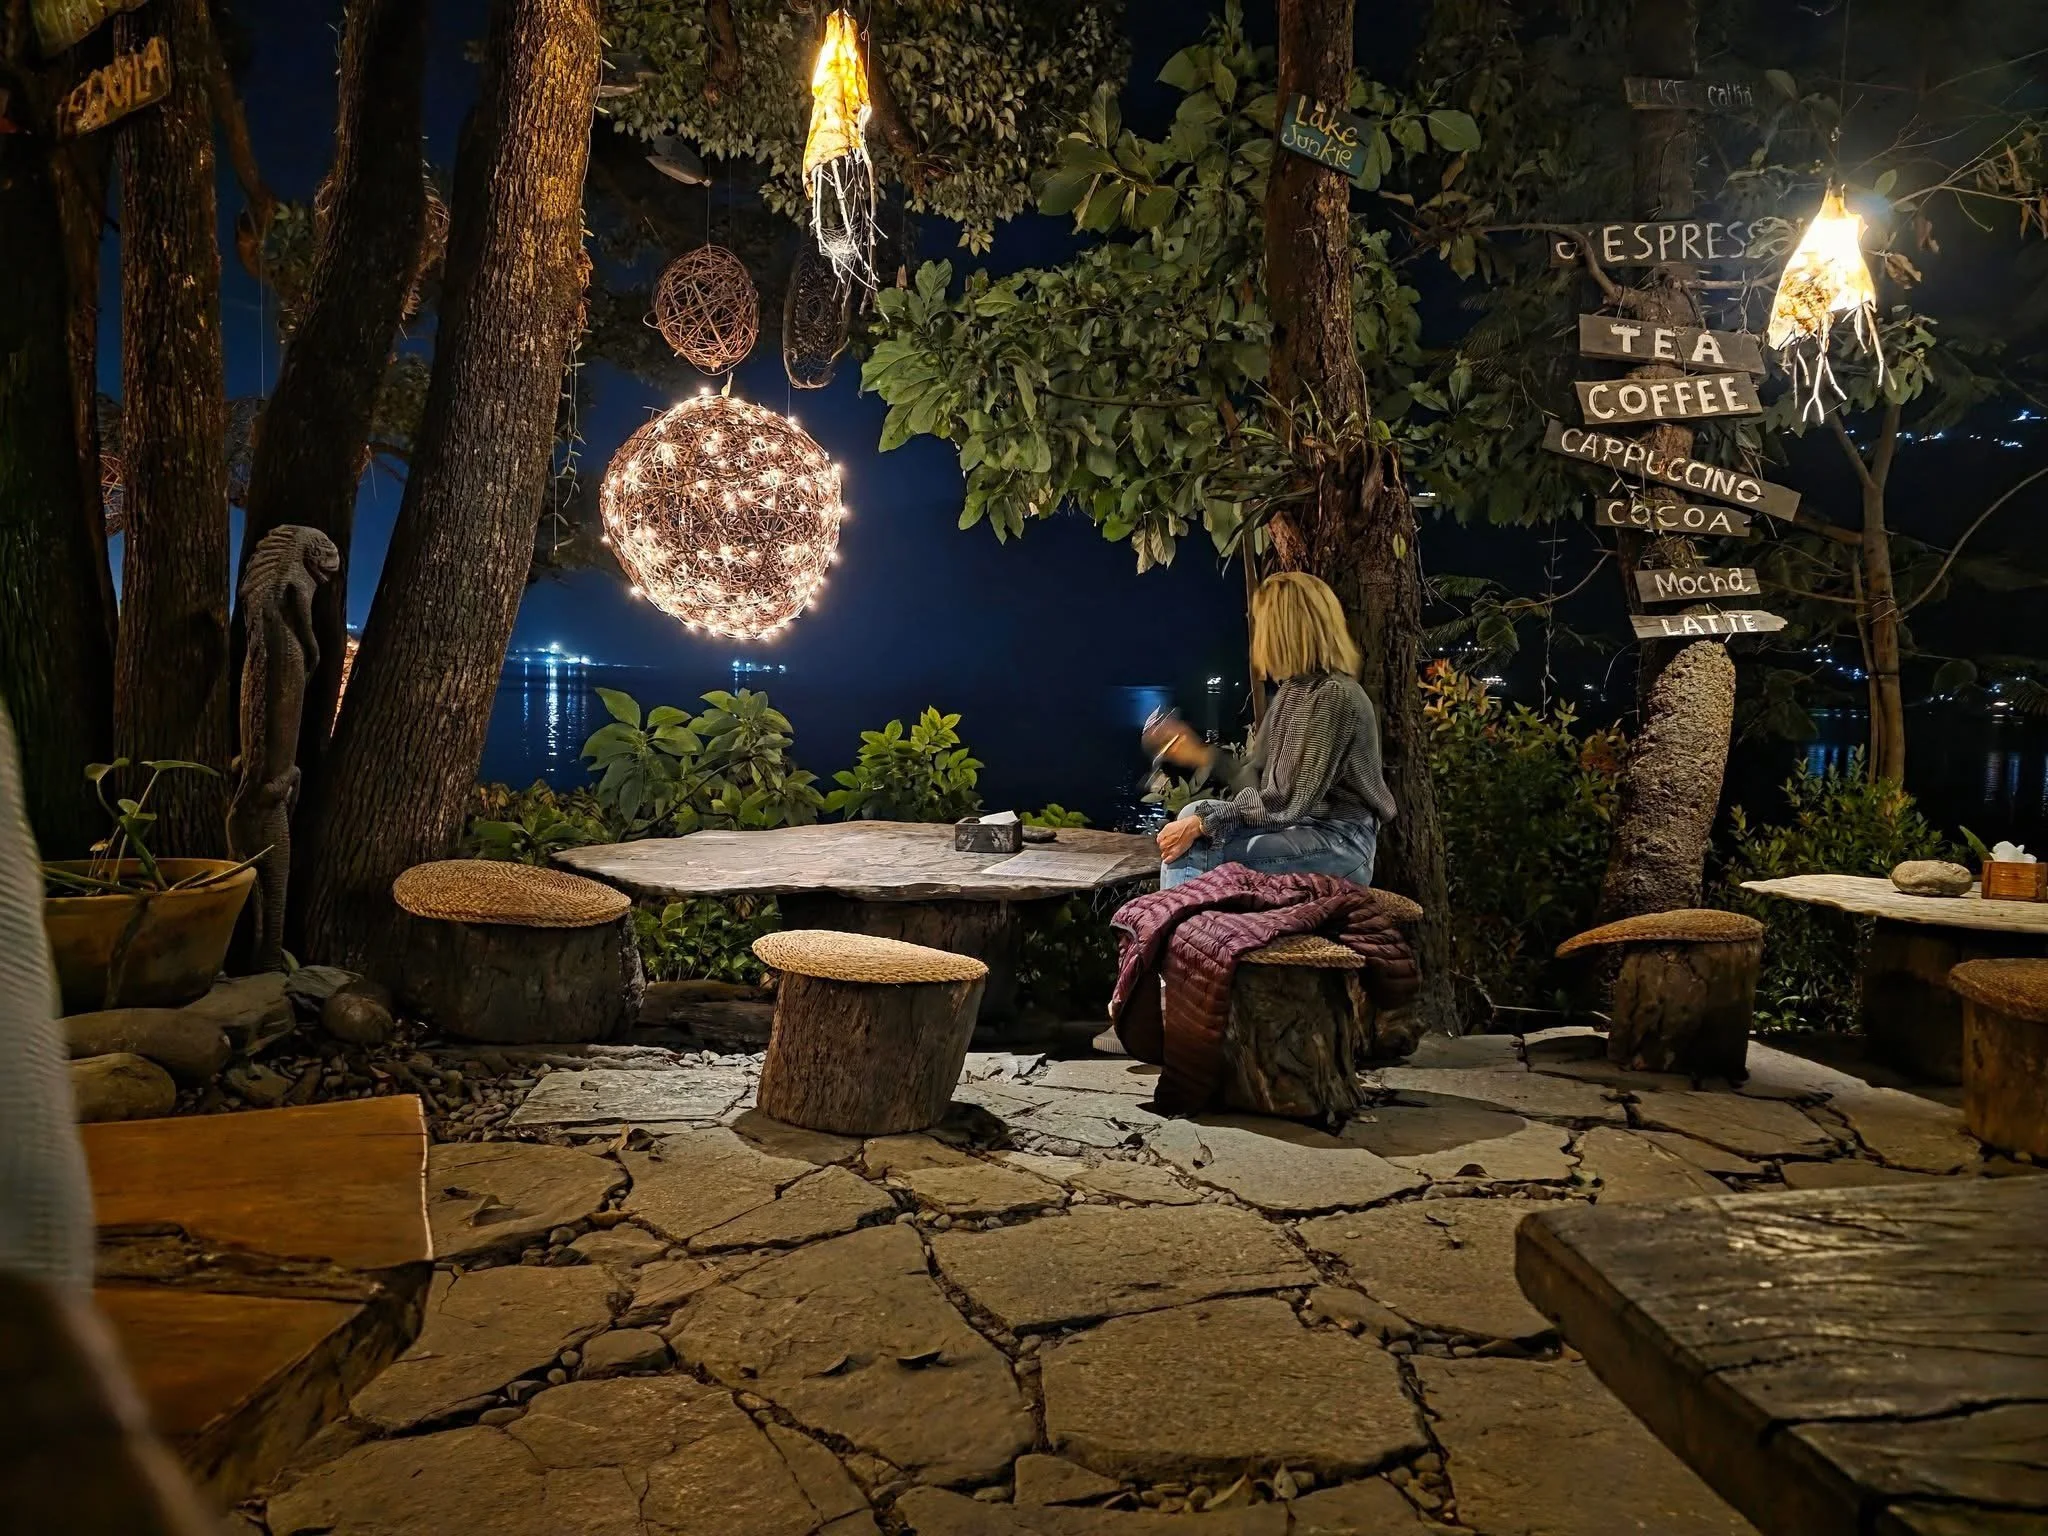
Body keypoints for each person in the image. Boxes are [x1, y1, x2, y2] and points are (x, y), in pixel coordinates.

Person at [1144, 571, 1395, 889]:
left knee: (1197, 847)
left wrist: (1206, 824)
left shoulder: (1334, 697)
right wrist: (1200, 754)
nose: (1256, 635)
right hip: (1298, 827)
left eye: (1263, 624)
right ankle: (1184, 927)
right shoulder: (1293, 693)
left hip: (1340, 843)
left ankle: (1177, 936)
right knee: (1194, 811)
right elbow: (1258, 780)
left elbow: (1286, 802)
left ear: (1285, 629)